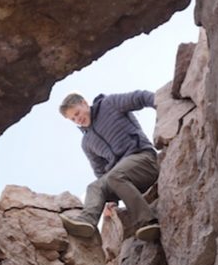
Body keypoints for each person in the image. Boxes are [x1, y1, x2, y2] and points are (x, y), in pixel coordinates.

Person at [58, 90, 161, 242]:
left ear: (84, 103)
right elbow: (100, 171)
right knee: (94, 187)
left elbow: (140, 97)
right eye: (73, 119)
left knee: (115, 176)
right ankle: (87, 222)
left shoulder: (109, 104)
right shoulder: (87, 143)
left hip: (144, 159)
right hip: (123, 178)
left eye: (77, 113)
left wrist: (161, 104)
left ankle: (148, 222)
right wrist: (112, 200)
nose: (77, 119)